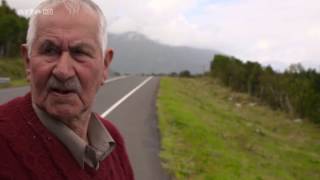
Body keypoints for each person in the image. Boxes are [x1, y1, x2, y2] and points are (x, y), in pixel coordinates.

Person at [0, 0, 134, 179]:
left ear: (104, 66)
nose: (63, 71)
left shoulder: (114, 140)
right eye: (49, 50)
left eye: (80, 52)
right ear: (27, 62)